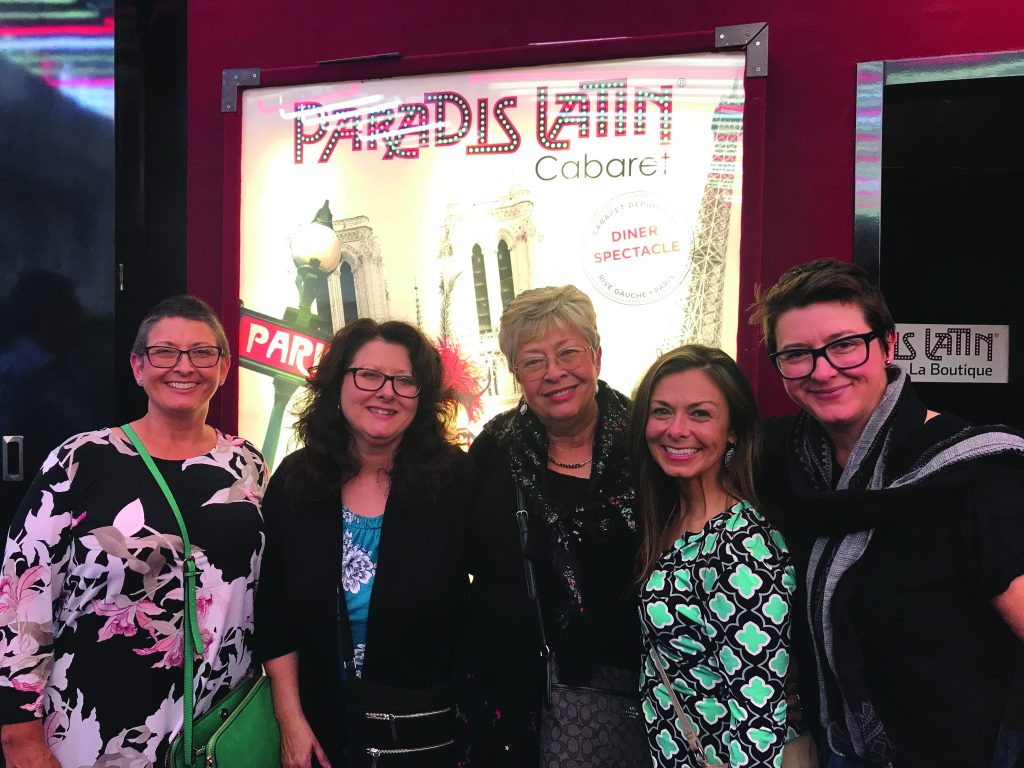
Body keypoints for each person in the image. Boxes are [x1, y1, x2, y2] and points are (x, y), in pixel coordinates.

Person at [753, 258, 1024, 768]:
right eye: (797, 355)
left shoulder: (975, 475)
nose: (823, 370)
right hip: (835, 749)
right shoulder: (782, 460)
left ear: (888, 344)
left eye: (844, 345)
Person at [0, 295, 267, 766]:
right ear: (138, 366)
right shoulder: (81, 460)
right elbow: (22, 592)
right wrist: (19, 731)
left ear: (223, 368)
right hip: (96, 720)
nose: (183, 366)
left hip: (217, 721)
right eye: (165, 352)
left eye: (202, 353)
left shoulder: (247, 464)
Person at [254, 318, 476, 768]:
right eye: (368, 375)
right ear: (338, 384)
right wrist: (290, 719)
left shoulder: (457, 480)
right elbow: (275, 611)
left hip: (426, 735)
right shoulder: (297, 482)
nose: (386, 391)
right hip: (320, 730)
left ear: (423, 397)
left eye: (404, 380)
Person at [463, 285, 640, 766]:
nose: (554, 373)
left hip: (639, 698)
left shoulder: (648, 445)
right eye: (534, 361)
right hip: (514, 703)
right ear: (516, 373)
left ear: (597, 356)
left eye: (568, 353)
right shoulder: (493, 451)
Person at [631, 345, 797, 767]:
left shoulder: (742, 545)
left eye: (700, 414)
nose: (677, 429)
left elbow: (757, 711)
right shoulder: (670, 518)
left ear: (733, 431)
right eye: (662, 411)